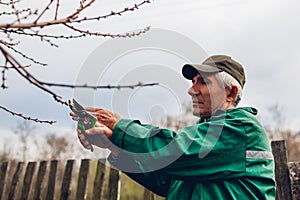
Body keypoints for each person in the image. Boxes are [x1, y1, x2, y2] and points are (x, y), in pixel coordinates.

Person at [71, 55, 276, 199]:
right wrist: (113, 144)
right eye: (193, 81)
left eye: (202, 82)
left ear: (230, 93)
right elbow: (166, 181)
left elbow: (173, 150)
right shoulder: (206, 144)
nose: (191, 90)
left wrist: (119, 127)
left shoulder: (241, 128)